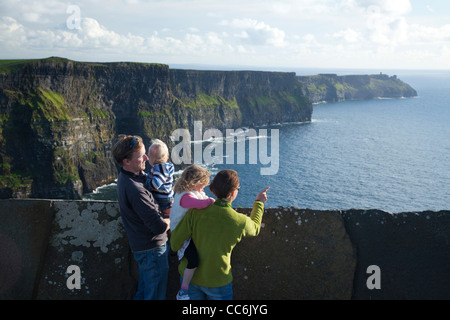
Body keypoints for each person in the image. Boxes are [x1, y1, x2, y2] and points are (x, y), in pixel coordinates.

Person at [170, 169, 269, 300]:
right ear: (233, 192)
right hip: (217, 280)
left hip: (190, 281)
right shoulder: (239, 221)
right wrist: (259, 203)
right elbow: (255, 227)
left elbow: (175, 243)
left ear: (213, 189)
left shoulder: (194, 213)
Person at [112, 135, 170, 300]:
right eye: (141, 156)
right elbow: (158, 226)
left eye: (146, 154)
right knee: (154, 296)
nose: (146, 158)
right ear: (126, 161)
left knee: (145, 292)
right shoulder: (135, 189)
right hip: (152, 249)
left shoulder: (128, 177)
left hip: (142, 248)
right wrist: (170, 218)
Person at [170, 165, 215, 300]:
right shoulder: (185, 197)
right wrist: (212, 201)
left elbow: (201, 196)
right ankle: (183, 290)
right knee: (193, 261)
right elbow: (201, 203)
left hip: (186, 232)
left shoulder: (188, 191)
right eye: (202, 185)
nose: (203, 189)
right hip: (181, 234)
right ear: (194, 183)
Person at [145, 139, 175, 216]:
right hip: (167, 196)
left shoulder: (160, 169)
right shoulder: (166, 167)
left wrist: (147, 182)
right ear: (167, 157)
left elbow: (156, 184)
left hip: (162, 198)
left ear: (151, 159)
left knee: (162, 214)